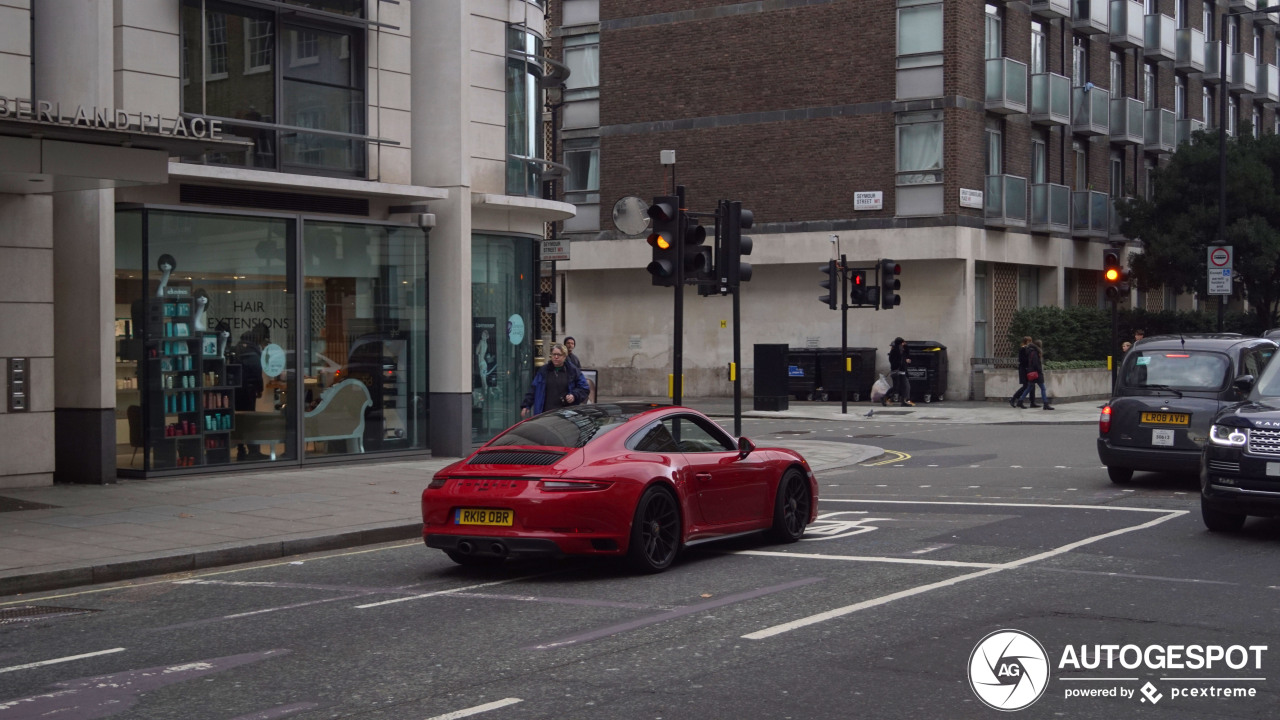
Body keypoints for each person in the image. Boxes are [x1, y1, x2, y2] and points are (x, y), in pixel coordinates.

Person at [520, 343, 589, 418]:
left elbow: (584, 388)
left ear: (564, 356)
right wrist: (526, 405)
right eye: (554, 354)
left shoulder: (573, 371)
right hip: (545, 413)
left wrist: (574, 395)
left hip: (565, 415)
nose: (556, 357)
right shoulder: (543, 371)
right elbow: (534, 389)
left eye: (559, 355)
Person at [885, 337, 915, 407]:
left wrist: (905, 347)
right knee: (898, 387)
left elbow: (906, 354)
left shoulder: (901, 350)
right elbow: (897, 361)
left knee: (904, 386)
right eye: (903, 343)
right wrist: (904, 362)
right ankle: (886, 397)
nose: (904, 344)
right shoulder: (896, 351)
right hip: (897, 371)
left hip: (901, 371)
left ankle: (904, 401)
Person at [1026, 339, 1054, 410]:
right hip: (1037, 374)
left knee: (1029, 388)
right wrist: (1040, 371)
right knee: (1043, 388)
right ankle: (1045, 403)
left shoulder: (1032, 351)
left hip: (1033, 373)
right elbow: (1036, 364)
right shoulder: (1035, 352)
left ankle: (1020, 400)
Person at [1009, 336, 1033, 409]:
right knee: (1025, 386)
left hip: (1026, 369)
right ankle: (1014, 399)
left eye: (1030, 341)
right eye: (1029, 341)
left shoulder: (1027, 349)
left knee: (1027, 386)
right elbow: (1022, 360)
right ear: (1026, 341)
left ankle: (1018, 400)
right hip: (1023, 369)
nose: (1030, 342)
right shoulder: (1023, 349)